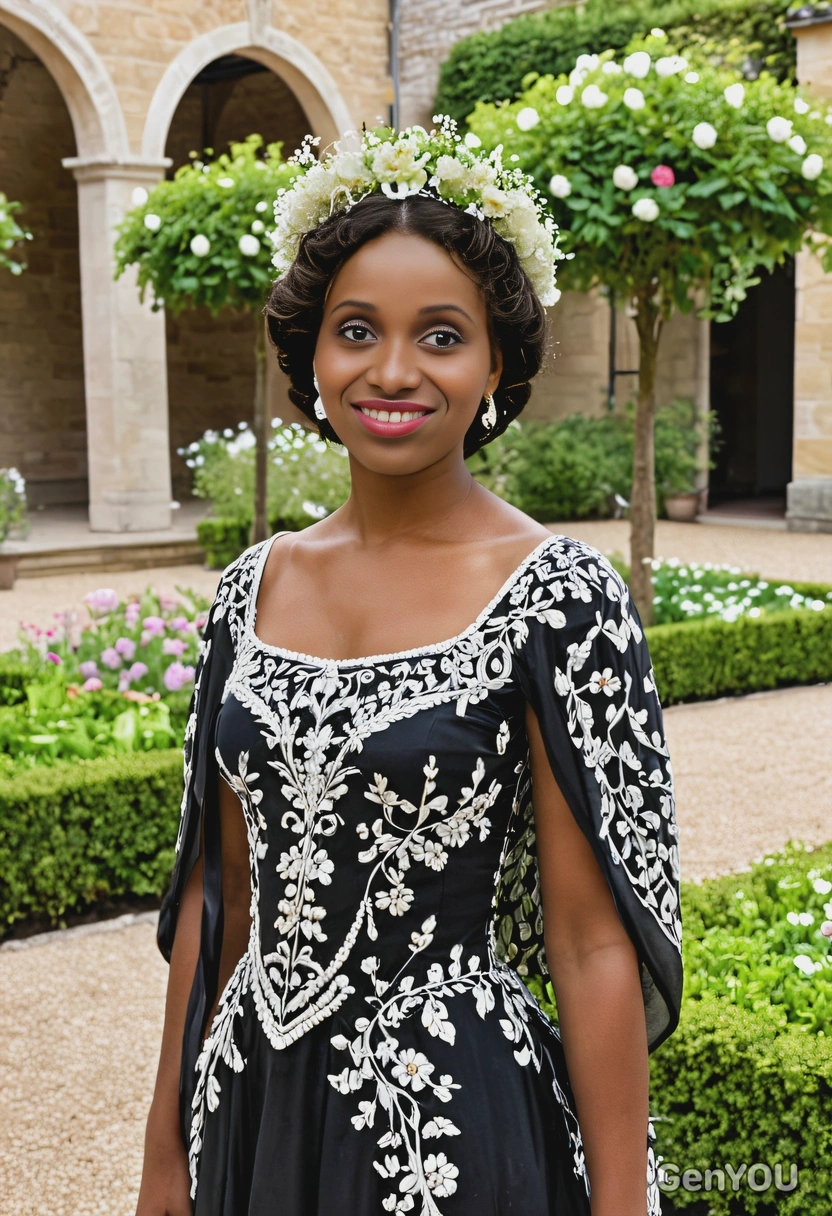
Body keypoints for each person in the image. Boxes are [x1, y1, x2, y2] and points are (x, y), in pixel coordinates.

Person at [136, 119, 682, 1216]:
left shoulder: (557, 597)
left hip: (445, 1122)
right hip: (252, 1104)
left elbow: (586, 940)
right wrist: (163, 1161)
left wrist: (623, 1206)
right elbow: (219, 905)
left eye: (440, 335)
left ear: (494, 364)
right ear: (310, 357)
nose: (392, 370)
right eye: (355, 331)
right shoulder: (251, 589)